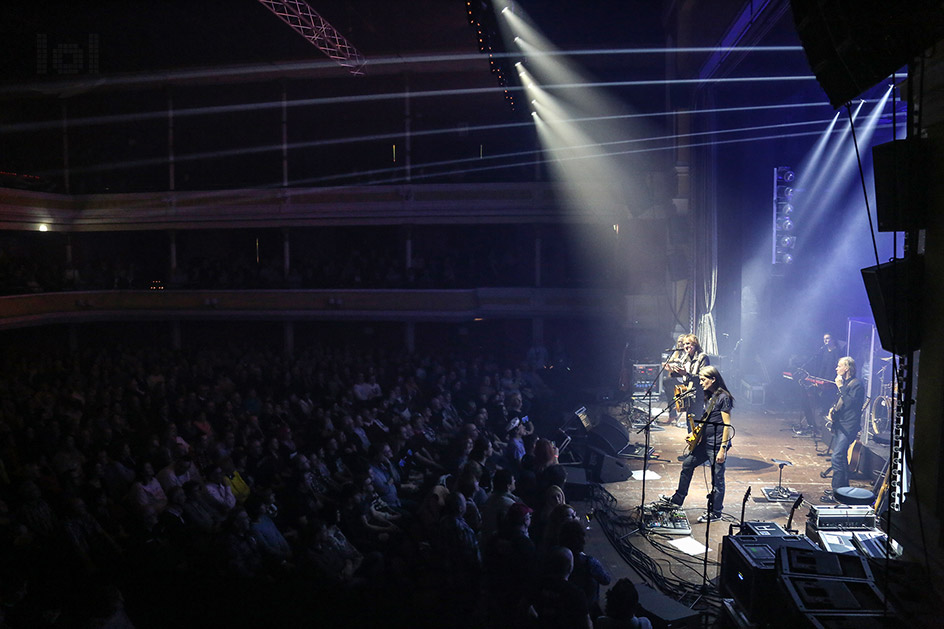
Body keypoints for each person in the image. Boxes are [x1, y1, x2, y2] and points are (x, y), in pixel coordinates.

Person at [660, 365, 733, 523]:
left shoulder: (723, 397)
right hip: (705, 442)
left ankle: (716, 512)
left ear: (713, 379)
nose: (700, 383)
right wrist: (695, 435)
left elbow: (727, 426)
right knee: (687, 464)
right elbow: (707, 420)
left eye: (703, 379)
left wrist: (723, 449)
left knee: (717, 479)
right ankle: (677, 500)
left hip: (717, 444)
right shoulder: (711, 396)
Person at [825, 356, 865, 501]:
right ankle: (843, 491)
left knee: (836, 457)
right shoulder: (847, 383)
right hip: (841, 424)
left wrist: (840, 386)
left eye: (839, 366)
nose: (836, 368)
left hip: (849, 426)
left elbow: (850, 403)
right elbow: (842, 403)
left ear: (847, 368)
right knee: (841, 458)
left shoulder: (857, 385)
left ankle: (836, 492)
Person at [664, 334, 710, 429]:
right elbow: (683, 374)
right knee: (690, 422)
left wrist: (686, 374)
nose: (685, 346)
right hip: (688, 393)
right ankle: (692, 441)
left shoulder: (702, 357)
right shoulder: (686, 358)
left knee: (696, 422)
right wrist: (672, 371)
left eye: (688, 343)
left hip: (699, 393)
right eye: (684, 344)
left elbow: (703, 378)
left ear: (695, 344)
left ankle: (698, 442)